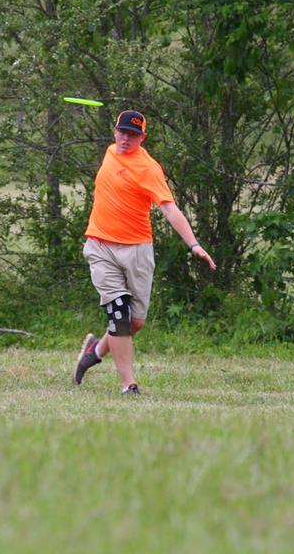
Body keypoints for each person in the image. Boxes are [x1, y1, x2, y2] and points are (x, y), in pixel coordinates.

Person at [74, 109, 216, 394]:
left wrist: (195, 244)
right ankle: (129, 386)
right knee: (118, 314)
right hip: (100, 246)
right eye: (122, 132)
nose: (126, 139)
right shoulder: (109, 152)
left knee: (134, 322)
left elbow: (169, 209)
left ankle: (95, 350)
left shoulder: (149, 168)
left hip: (137, 249)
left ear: (143, 137)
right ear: (114, 131)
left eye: (133, 135)